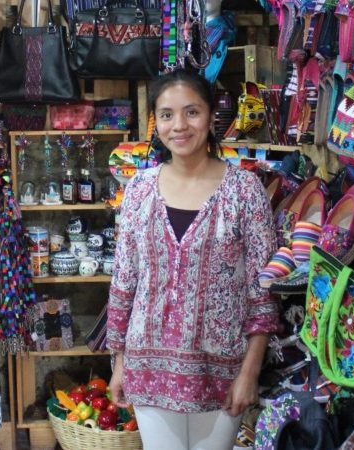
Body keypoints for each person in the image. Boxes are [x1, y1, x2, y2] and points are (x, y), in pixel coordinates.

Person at [107, 69, 278, 450]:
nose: (179, 126)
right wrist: (119, 363)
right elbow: (123, 283)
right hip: (149, 368)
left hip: (220, 370)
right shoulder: (138, 190)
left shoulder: (245, 190)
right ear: (156, 121)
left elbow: (262, 291)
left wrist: (249, 372)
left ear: (210, 117)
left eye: (191, 112)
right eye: (167, 115)